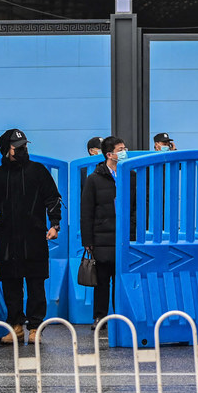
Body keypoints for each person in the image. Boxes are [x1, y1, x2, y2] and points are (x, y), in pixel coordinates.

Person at [0, 128, 62, 345]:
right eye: (18, 147)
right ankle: (15, 326)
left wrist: (55, 225)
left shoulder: (38, 170)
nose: (23, 150)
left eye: (25, 146)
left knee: (36, 284)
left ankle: (35, 327)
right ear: (7, 149)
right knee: (10, 284)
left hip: (34, 237)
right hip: (7, 239)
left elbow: (52, 198)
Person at [80, 136, 126, 328]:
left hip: (123, 237)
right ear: (109, 154)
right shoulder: (94, 179)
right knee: (102, 280)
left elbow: (138, 206)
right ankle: (100, 317)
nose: (125, 152)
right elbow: (86, 211)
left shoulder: (129, 175)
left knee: (122, 280)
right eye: (121, 149)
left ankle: (122, 317)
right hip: (102, 237)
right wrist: (87, 240)